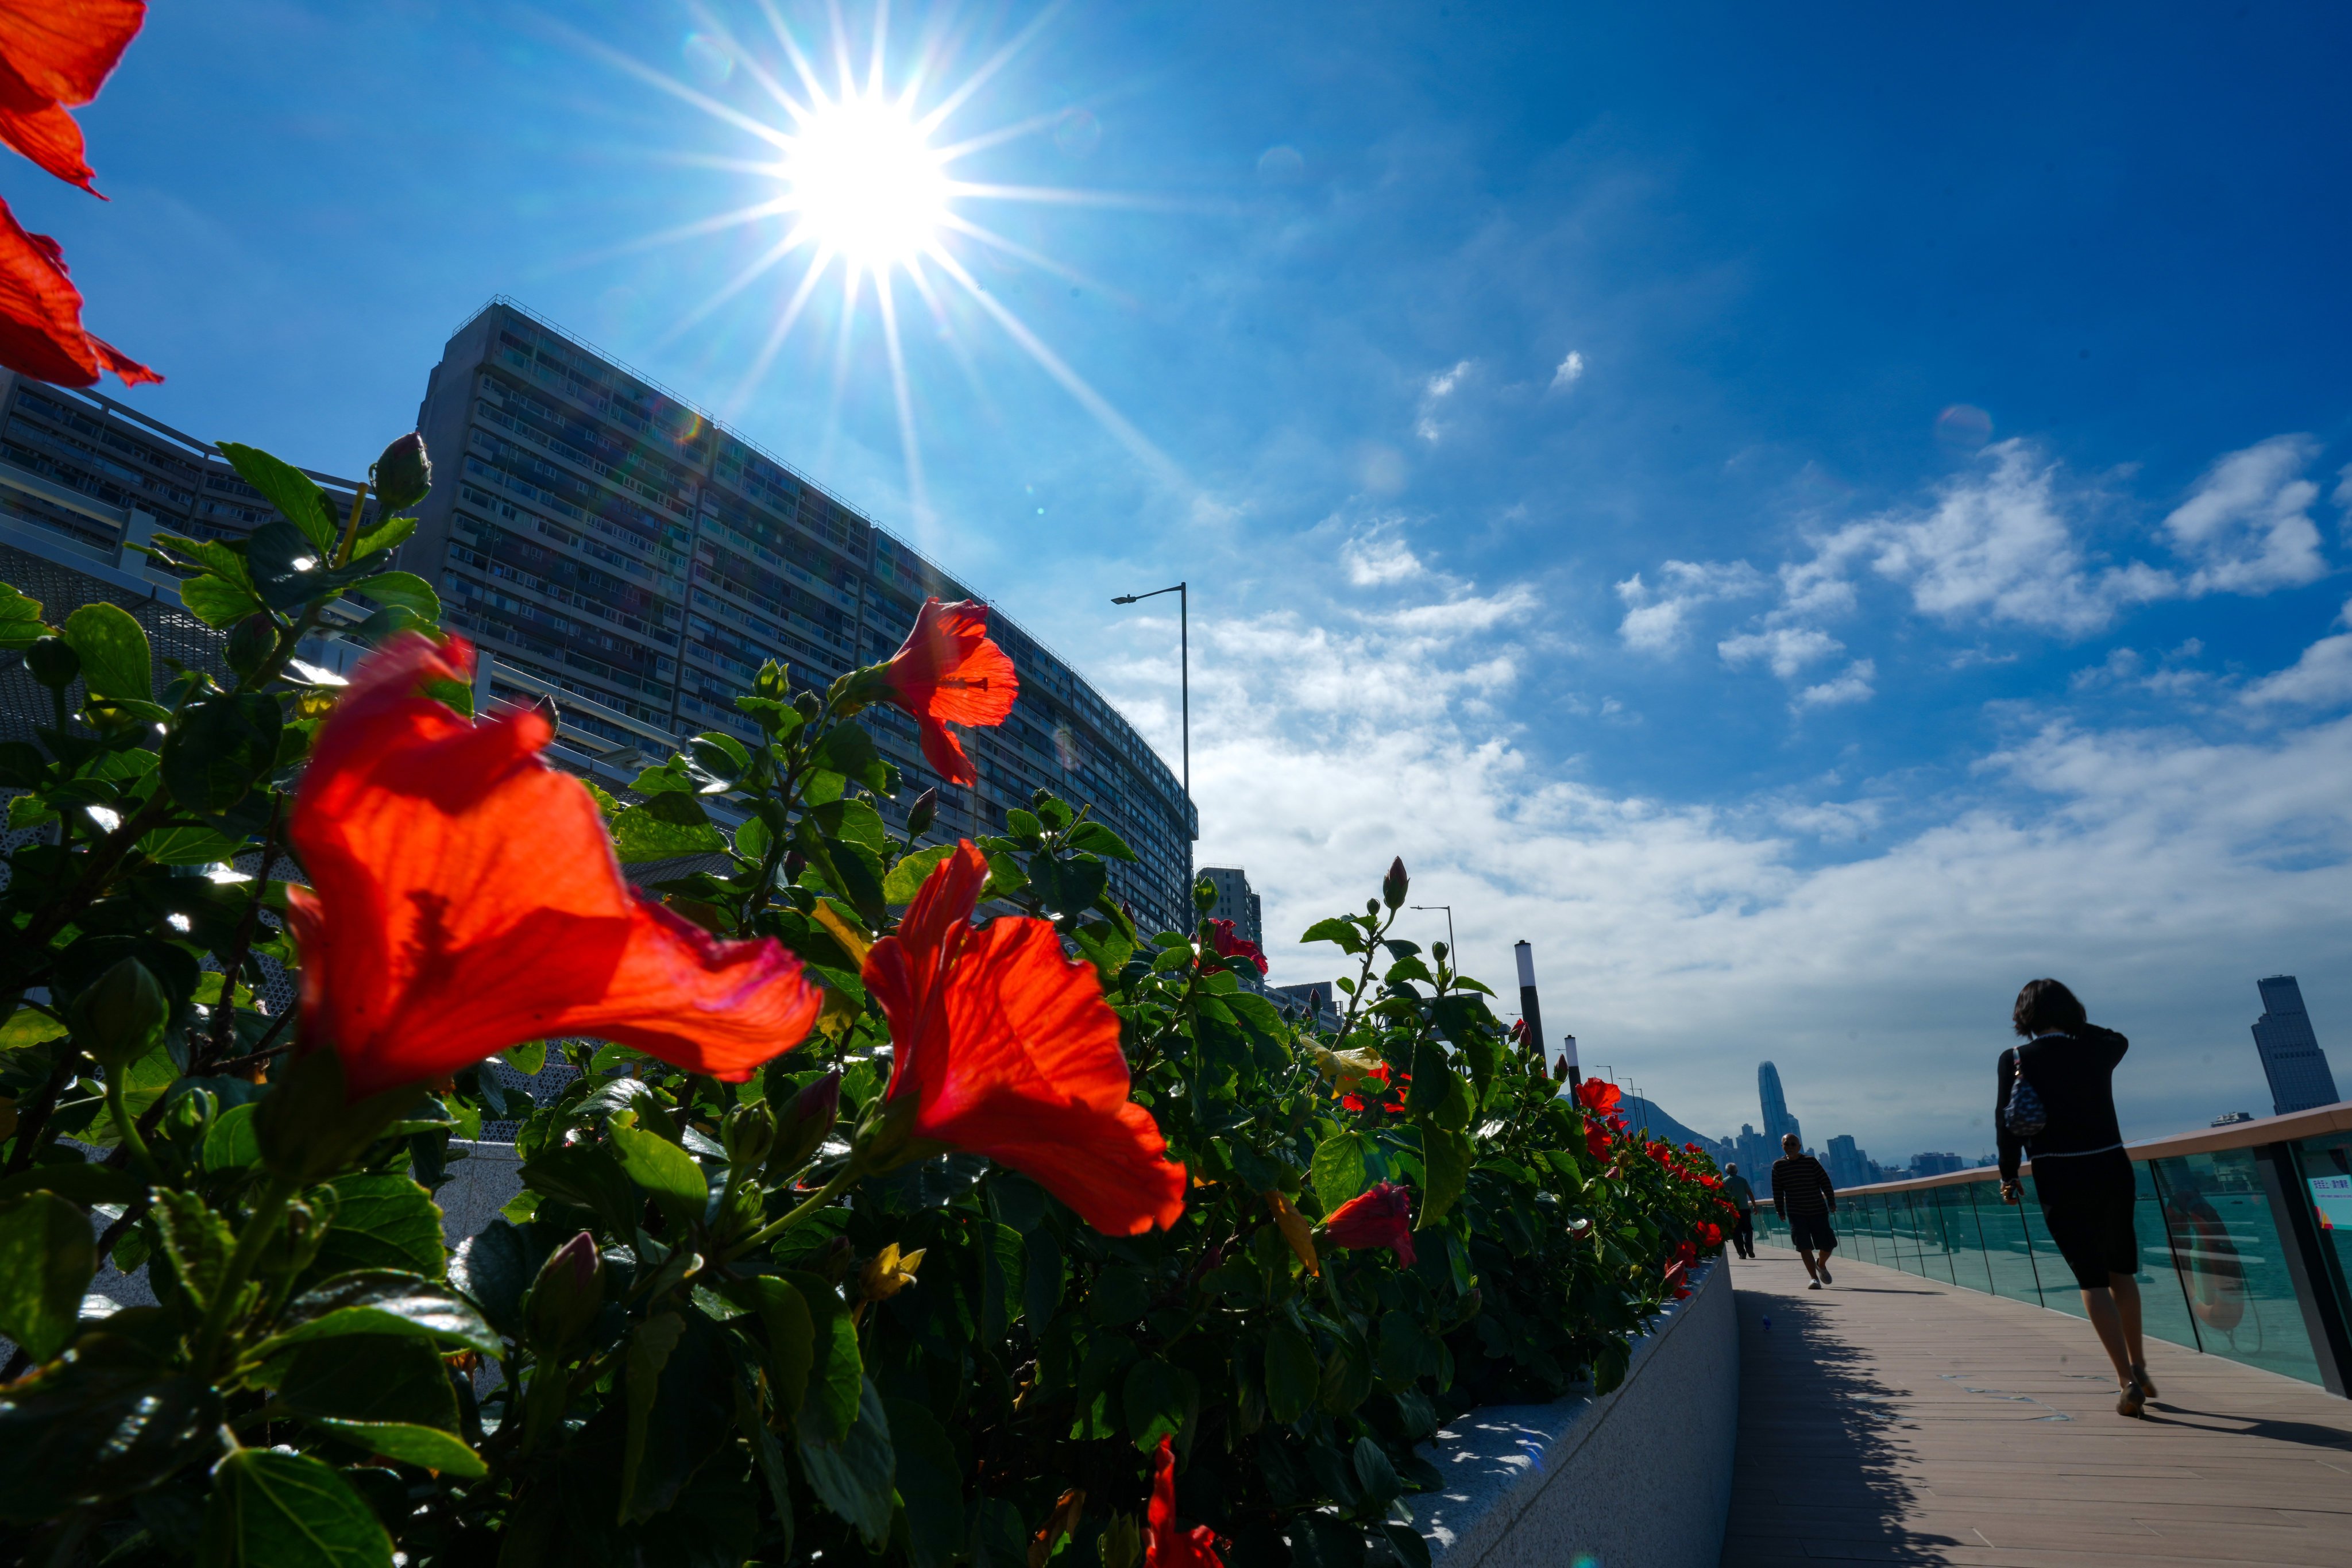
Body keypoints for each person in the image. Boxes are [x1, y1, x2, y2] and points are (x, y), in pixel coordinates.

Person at [1998, 978, 2152, 1418]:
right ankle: (2139, 1366)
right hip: (2110, 1167)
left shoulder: (2015, 1060)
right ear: (2071, 1011)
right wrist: (2076, 1023)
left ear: (2023, 1016)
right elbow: (2116, 1038)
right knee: (2121, 1270)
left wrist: (2008, 1175)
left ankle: (2124, 1380)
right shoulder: (2096, 1049)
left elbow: (2005, 1124)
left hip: (2057, 1173)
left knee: (2091, 1279)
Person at [1770, 1134, 1837, 1287]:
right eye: (1787, 1144)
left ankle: (1821, 1263)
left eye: (1794, 1144)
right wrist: (1780, 1210)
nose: (1790, 1147)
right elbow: (1777, 1190)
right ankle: (1814, 1278)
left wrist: (1831, 1201)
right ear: (1782, 1147)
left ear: (1799, 1147)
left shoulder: (1811, 1162)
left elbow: (1825, 1182)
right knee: (1804, 1246)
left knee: (1828, 1245)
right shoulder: (1778, 1166)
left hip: (1818, 1210)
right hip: (1796, 1212)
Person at [1723, 1162, 1758, 1259]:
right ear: (1737, 1171)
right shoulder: (1743, 1180)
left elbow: (1721, 1197)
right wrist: (1754, 1206)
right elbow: (1750, 1193)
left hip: (1732, 1211)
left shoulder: (1724, 1182)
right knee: (1748, 1230)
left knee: (1736, 1233)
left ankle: (1742, 1253)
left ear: (1726, 1171)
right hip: (1745, 1210)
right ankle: (1749, 1247)